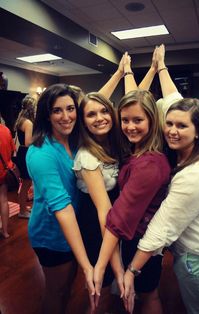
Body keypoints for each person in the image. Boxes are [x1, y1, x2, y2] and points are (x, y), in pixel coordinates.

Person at [123, 45, 199, 314]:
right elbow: (173, 98)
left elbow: (163, 226)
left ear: (198, 131)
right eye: (169, 123)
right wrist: (160, 67)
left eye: (181, 126)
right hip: (197, 249)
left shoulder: (197, 172)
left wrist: (132, 270)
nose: (172, 130)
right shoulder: (188, 151)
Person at [94, 67, 171, 314]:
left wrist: (100, 266)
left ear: (152, 120)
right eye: (125, 120)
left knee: (148, 296)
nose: (130, 127)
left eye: (138, 120)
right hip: (134, 238)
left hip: (141, 241)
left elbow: (122, 215)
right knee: (137, 296)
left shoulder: (150, 163)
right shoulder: (136, 151)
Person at [26, 84, 95, 314]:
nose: (66, 117)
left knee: (66, 289)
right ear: (47, 114)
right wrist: (87, 265)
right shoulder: (41, 152)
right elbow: (62, 209)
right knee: (56, 291)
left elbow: (98, 103)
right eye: (57, 110)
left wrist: (121, 73)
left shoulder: (73, 141)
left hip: (73, 231)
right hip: (51, 235)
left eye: (70, 108)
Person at [73, 92, 123, 313]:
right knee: (99, 284)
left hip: (113, 217)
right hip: (96, 222)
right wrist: (115, 264)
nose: (100, 118)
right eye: (91, 114)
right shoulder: (87, 156)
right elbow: (104, 211)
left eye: (104, 111)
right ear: (83, 122)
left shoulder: (115, 144)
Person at [14, 95, 36, 218]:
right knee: (26, 184)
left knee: (24, 184)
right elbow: (28, 142)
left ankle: (22, 208)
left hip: (21, 152)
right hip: (26, 153)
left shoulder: (20, 120)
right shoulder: (28, 123)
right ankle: (22, 212)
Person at [0, 123, 16, 238]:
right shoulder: (6, 130)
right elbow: (12, 150)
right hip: (4, 170)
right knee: (3, 199)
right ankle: (5, 232)